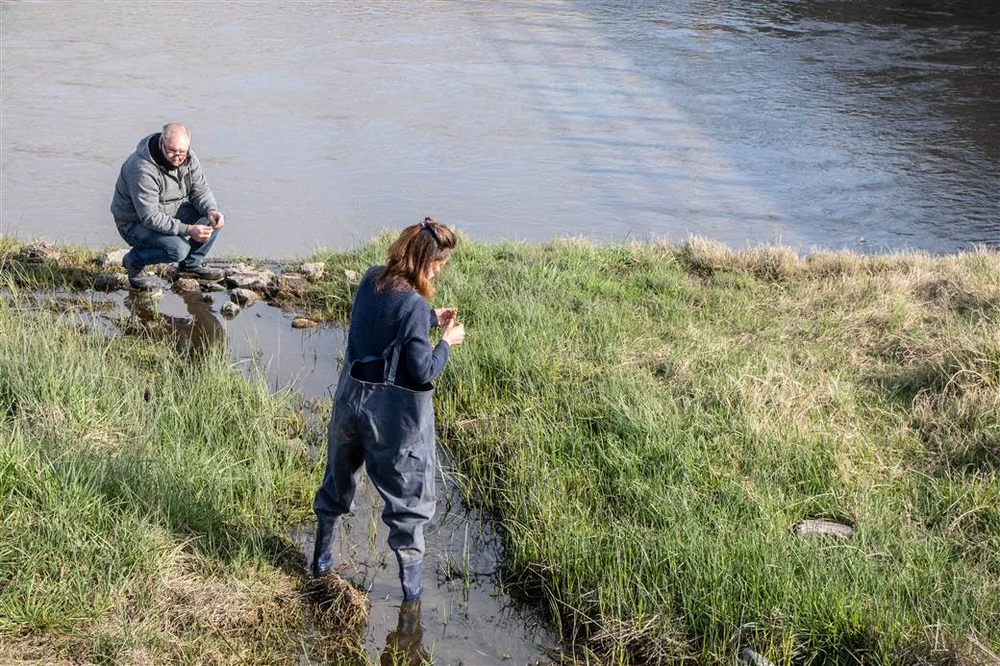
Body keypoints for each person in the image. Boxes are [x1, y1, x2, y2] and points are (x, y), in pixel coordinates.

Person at [312, 218, 466, 601]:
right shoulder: (414, 303)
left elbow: (383, 321)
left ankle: (321, 565)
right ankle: (411, 602)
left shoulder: (370, 279)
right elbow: (423, 370)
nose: (438, 273)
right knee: (409, 509)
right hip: (391, 421)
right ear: (427, 261)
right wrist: (446, 341)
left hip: (349, 405)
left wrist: (430, 318)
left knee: (336, 487)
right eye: (439, 266)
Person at [110, 123, 225, 291]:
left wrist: (211, 210)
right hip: (135, 223)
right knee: (178, 249)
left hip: (169, 210)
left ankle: (190, 265)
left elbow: (199, 190)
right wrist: (188, 229)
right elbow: (150, 217)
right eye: (172, 151)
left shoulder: (189, 158)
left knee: (213, 216)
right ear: (161, 143)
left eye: (182, 152)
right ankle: (134, 261)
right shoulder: (141, 169)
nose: (177, 157)